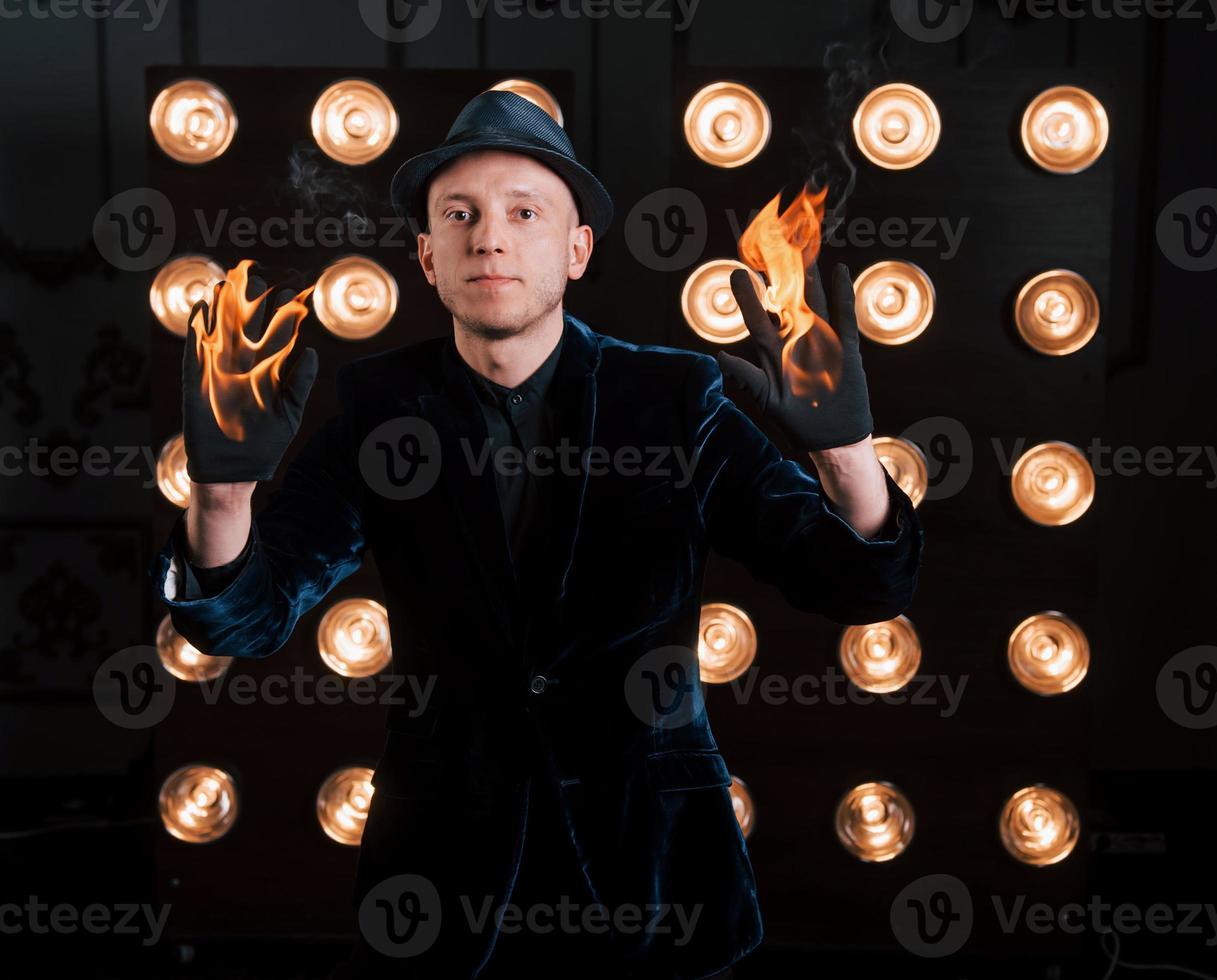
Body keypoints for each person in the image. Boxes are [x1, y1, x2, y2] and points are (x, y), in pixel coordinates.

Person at [149, 89, 925, 979]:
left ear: (577, 249)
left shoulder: (674, 400)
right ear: (427, 257)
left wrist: (848, 458)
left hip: (655, 876)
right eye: (460, 215)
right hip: (442, 882)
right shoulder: (379, 410)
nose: (490, 236)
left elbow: (864, 588)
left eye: (525, 213)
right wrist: (220, 498)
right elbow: (245, 622)